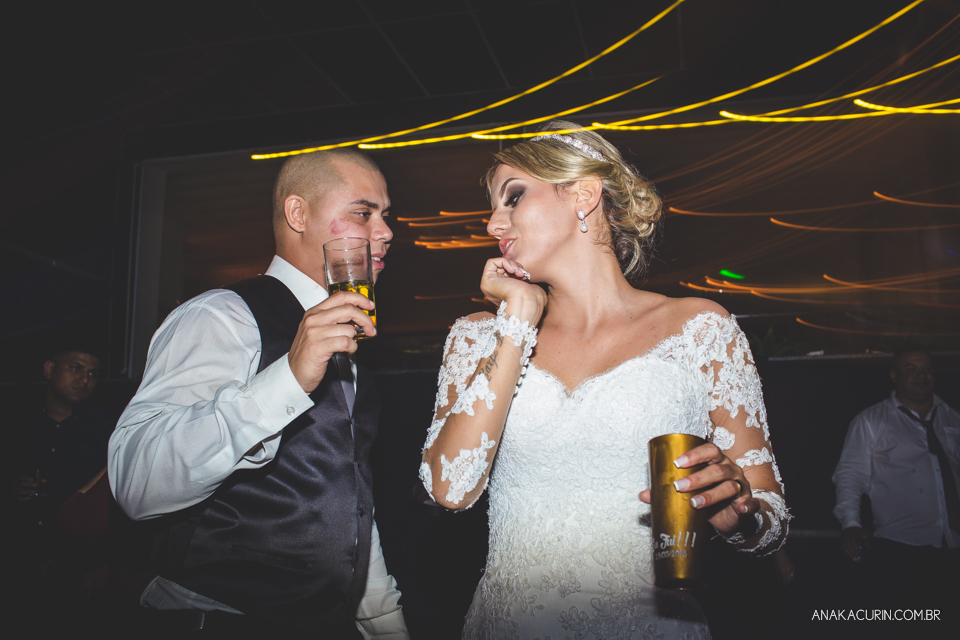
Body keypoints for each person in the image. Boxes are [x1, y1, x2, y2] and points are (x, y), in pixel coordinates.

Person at [419, 121, 789, 639]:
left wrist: (742, 515)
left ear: (583, 195)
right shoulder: (479, 336)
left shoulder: (701, 328)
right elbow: (450, 490)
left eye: (513, 197)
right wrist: (517, 320)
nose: (492, 224)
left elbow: (770, 520)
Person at [108, 149, 409, 637]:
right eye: (363, 213)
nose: (386, 231)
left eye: (386, 215)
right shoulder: (221, 316)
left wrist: (385, 625)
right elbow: (135, 483)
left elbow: (347, 503)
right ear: (298, 214)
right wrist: (287, 379)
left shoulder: (352, 347)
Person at [833, 348, 960, 607]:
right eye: (911, 369)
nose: (921, 375)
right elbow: (850, 475)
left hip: (954, 545)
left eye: (927, 369)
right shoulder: (871, 421)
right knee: (907, 619)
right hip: (900, 545)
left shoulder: (952, 417)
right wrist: (851, 523)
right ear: (894, 375)